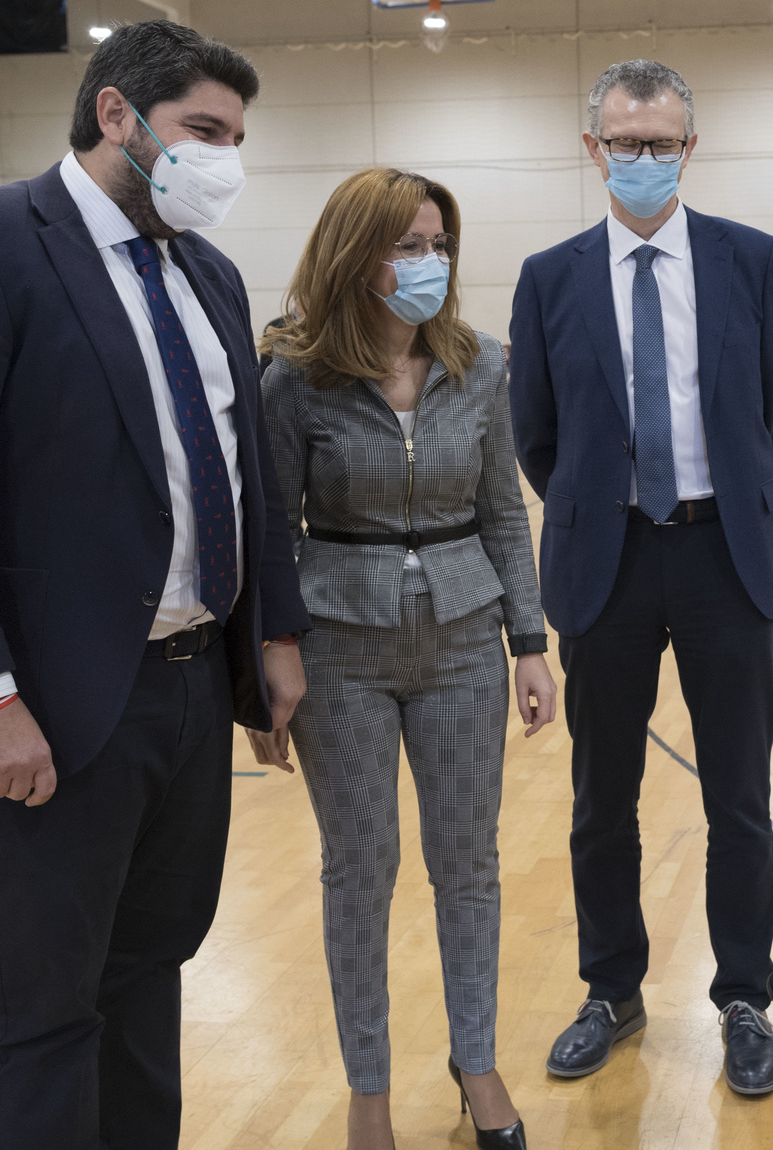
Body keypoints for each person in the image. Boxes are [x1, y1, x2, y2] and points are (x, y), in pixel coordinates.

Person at [0, 20, 312, 1149]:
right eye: (202, 129)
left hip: (185, 688)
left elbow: (248, 472)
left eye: (237, 137)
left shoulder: (206, 270)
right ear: (115, 114)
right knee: (39, 1010)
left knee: (146, 978)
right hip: (42, 704)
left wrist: (273, 638)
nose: (225, 157)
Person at [509, 59, 773, 1097]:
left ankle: (743, 999)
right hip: (607, 563)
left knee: (740, 800)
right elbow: (534, 437)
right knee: (602, 801)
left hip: (723, 556)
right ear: (592, 149)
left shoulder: (751, 261)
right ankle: (611, 988)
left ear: (690, 145)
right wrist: (603, 506)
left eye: (661, 142)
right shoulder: (548, 277)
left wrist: (707, 501)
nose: (642, 158)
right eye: (623, 143)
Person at [260, 167, 554, 1150]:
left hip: (467, 638)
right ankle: (369, 1088)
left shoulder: (484, 364)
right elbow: (268, 529)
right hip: (338, 648)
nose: (429, 263)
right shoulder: (294, 380)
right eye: (407, 246)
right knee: (360, 867)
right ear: (355, 255)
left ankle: (476, 1062)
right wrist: (273, 654)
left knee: (467, 863)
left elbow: (504, 511)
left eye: (439, 245)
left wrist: (528, 642)